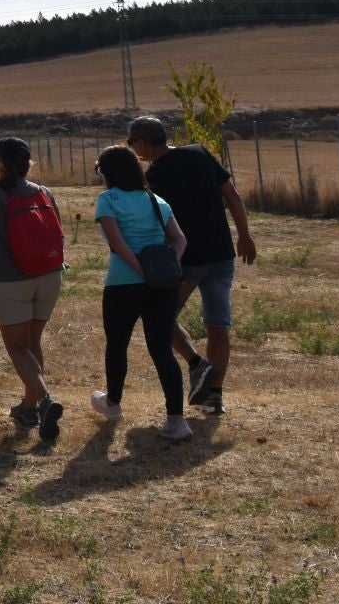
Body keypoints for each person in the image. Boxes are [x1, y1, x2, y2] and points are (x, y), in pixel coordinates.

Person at [126, 115, 256, 415]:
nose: (134, 150)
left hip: (185, 261)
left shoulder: (154, 176)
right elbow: (233, 196)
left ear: (143, 142)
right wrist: (245, 236)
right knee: (217, 324)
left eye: (133, 144)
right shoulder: (199, 152)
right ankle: (214, 395)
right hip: (221, 254)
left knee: (159, 316)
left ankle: (197, 365)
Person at [0, 138, 64, 441]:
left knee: (17, 347)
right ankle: (29, 407)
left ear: (1, 163)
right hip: (49, 276)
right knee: (33, 343)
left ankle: (45, 400)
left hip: (11, 279)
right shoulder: (44, 192)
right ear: (28, 163)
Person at [92, 145, 192, 440]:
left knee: (117, 344)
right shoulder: (156, 200)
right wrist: (165, 266)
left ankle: (113, 403)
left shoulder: (107, 200)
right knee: (162, 350)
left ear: (107, 173)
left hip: (123, 284)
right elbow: (180, 240)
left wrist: (139, 268)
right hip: (161, 286)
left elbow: (117, 244)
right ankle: (176, 420)